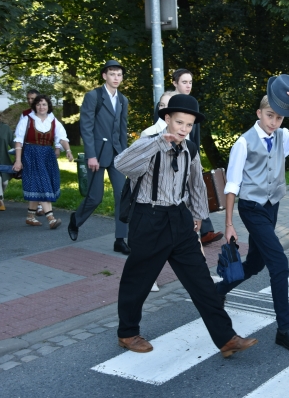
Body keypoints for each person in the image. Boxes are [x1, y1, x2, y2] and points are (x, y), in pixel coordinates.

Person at [114, 94, 258, 357]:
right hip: (149, 218)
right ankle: (127, 333)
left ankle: (226, 338)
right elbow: (121, 163)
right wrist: (158, 142)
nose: (183, 128)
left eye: (189, 124)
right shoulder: (147, 144)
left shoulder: (190, 149)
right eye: (179, 122)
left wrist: (198, 216)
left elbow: (196, 185)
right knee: (139, 280)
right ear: (167, 119)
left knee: (201, 280)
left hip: (179, 219)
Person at [216, 74, 289, 352]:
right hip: (251, 208)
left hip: (272, 206)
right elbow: (232, 185)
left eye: (279, 118)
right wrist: (229, 224)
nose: (274, 122)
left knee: (256, 264)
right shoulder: (244, 142)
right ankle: (285, 330)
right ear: (259, 113)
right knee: (279, 264)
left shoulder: (282, 136)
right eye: (270, 115)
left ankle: (218, 291)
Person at [68, 60, 130, 254]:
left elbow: (122, 129)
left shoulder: (123, 100)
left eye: (119, 75)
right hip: (97, 154)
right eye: (112, 74)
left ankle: (120, 239)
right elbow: (86, 128)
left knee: (123, 196)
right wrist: (91, 156)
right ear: (105, 76)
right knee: (95, 198)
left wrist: (126, 155)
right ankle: (76, 220)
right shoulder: (93, 96)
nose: (116, 78)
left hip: (117, 155)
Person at [172, 68, 223, 246]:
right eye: (184, 82)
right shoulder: (167, 104)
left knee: (198, 189)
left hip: (190, 154)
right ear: (175, 83)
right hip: (174, 156)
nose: (188, 85)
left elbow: (196, 136)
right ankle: (187, 231)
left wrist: (197, 158)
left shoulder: (194, 104)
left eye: (190, 82)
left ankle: (206, 230)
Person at [13, 95, 73, 229]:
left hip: (47, 155)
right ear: (34, 106)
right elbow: (18, 140)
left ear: (48, 106)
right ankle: (51, 218)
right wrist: (18, 160)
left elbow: (62, 137)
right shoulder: (27, 120)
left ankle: (30, 216)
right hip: (31, 154)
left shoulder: (53, 120)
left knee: (39, 184)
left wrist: (68, 150)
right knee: (42, 184)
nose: (41, 107)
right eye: (39, 104)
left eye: (44, 104)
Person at [141, 90, 178, 293]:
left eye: (170, 104)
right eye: (162, 105)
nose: (166, 108)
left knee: (184, 239)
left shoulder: (183, 131)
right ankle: (148, 277)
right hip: (155, 196)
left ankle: (200, 276)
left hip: (177, 196)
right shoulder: (149, 133)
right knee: (153, 240)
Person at [20, 89, 45, 217]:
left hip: (43, 150)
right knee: (33, 177)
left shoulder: (46, 114)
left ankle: (40, 206)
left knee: (42, 177)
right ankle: (36, 207)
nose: (30, 101)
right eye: (28, 98)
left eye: (33, 99)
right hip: (29, 149)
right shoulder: (25, 114)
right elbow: (20, 135)